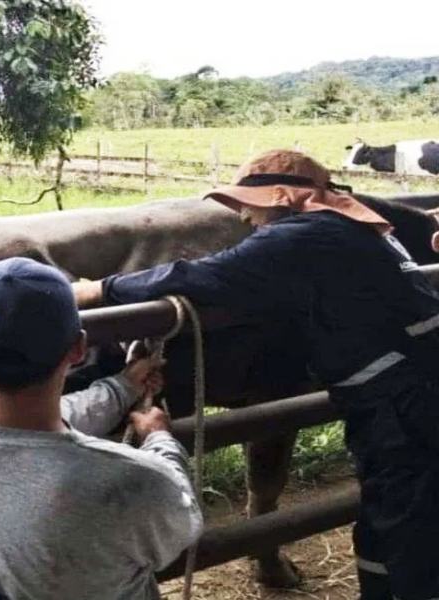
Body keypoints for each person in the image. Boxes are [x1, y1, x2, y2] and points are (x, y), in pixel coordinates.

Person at [72, 148, 439, 600]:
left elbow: (202, 274)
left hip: (404, 407)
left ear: (283, 195)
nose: (244, 216)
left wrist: (98, 288)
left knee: (396, 530)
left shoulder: (304, 234)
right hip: (415, 389)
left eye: (248, 203)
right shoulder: (358, 227)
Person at [0, 256, 203, 600]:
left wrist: (122, 388)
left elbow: (23, 420)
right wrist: (159, 439)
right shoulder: (135, 481)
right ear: (79, 348)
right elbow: (184, 521)